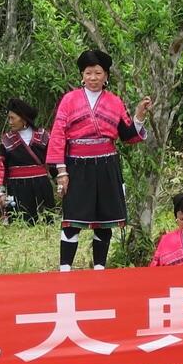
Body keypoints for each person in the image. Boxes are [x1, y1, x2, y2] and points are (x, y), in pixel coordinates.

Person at [47, 49, 153, 271]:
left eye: (98, 73)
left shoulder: (115, 102)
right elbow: (58, 135)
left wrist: (140, 115)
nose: (93, 78)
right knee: (72, 220)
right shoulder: (69, 100)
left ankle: (99, 268)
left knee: (105, 221)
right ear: (81, 75)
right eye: (88, 73)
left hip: (106, 166)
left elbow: (128, 136)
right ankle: (65, 268)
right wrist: (61, 171)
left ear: (106, 76)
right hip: (77, 166)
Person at [0, 98, 56, 224]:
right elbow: (0, 165)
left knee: (45, 223)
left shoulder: (43, 136)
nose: (9, 122)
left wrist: (60, 179)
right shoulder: (7, 140)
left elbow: (53, 160)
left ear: (24, 118)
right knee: (19, 222)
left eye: (12, 118)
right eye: (8, 118)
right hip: (17, 188)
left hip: (41, 186)